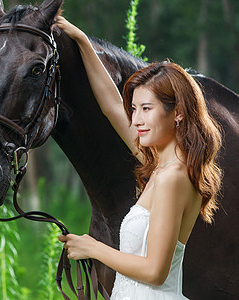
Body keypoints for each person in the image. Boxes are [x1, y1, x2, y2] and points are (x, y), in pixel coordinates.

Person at [55, 16, 223, 299]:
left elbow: (156, 271)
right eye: (134, 109)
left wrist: (93, 248)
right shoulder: (160, 165)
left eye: (146, 108)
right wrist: (82, 41)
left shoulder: (173, 177)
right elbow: (110, 105)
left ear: (178, 112)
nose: (137, 119)